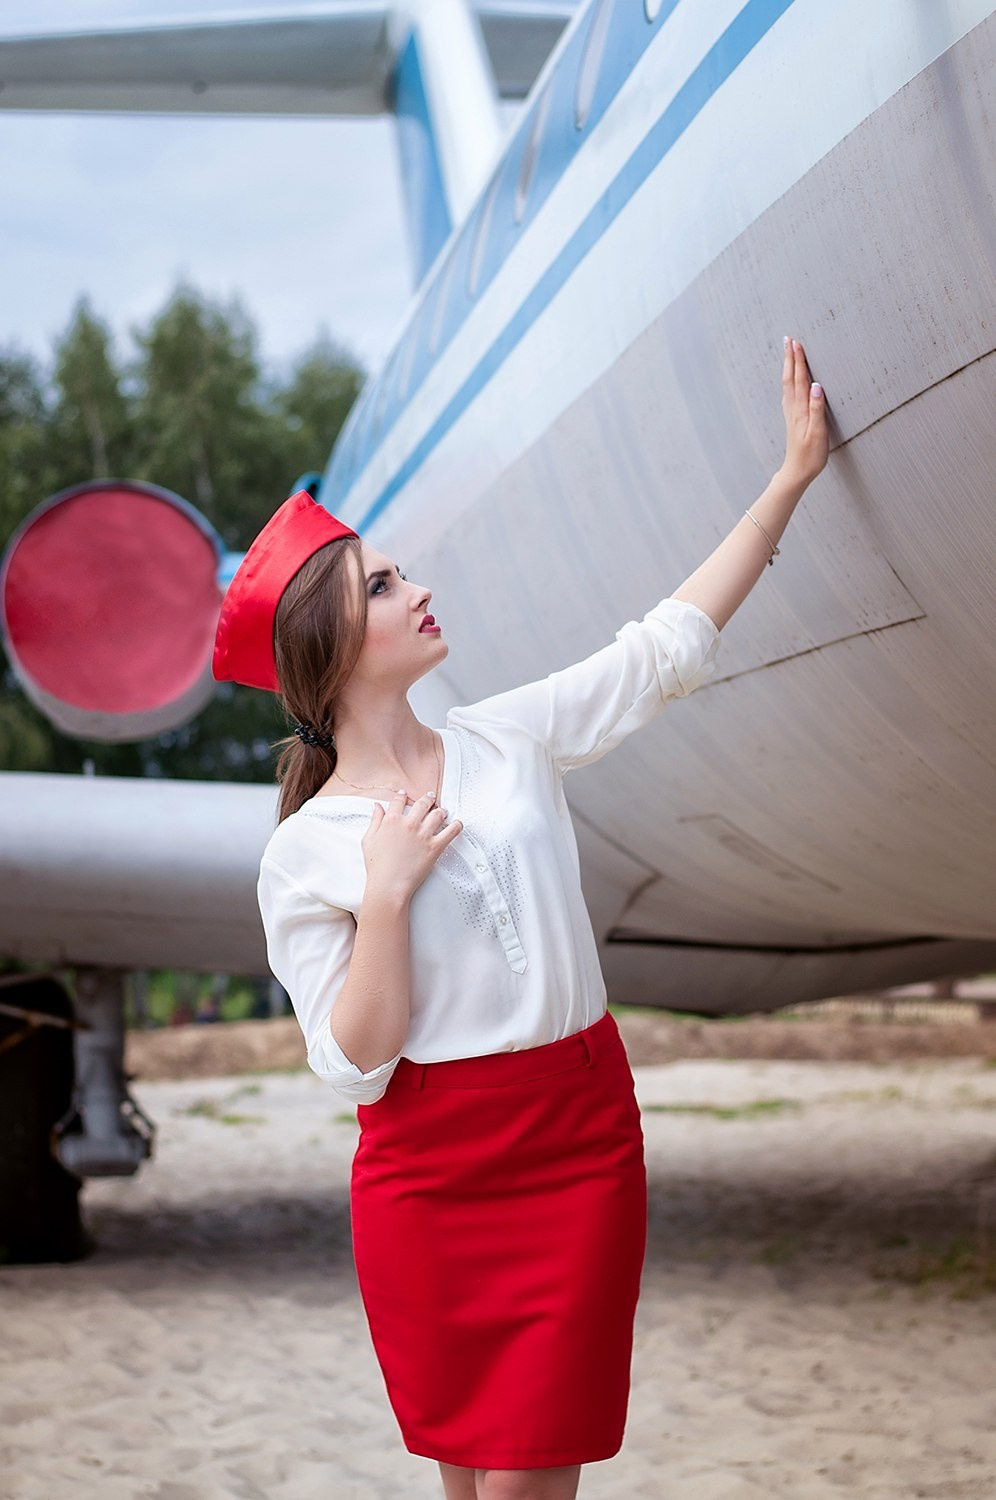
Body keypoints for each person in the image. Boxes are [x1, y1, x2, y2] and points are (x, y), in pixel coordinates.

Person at [212, 338, 829, 1500]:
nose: (420, 587)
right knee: (473, 1488)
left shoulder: (508, 738)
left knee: (527, 1486)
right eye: (385, 587)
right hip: (427, 1177)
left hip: (578, 1142)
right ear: (334, 651)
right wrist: (385, 898)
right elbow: (353, 1065)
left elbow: (662, 651)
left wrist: (788, 478)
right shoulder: (305, 857)